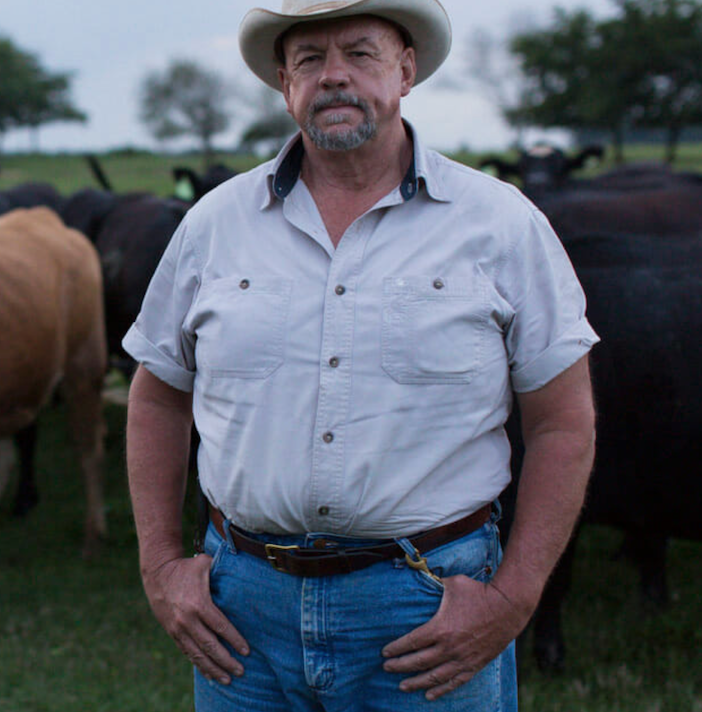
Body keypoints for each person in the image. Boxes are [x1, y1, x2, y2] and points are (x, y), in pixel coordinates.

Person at [122, 1, 598, 710]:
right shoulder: (213, 226)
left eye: (360, 53)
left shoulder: (502, 224)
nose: (334, 76)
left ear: (406, 69)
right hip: (241, 613)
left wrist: (513, 597)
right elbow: (158, 396)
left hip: (427, 607)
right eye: (310, 58)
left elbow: (563, 421)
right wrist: (161, 565)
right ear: (285, 81)